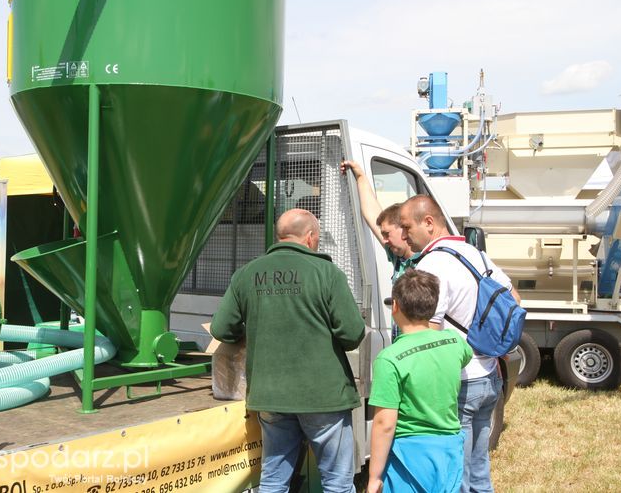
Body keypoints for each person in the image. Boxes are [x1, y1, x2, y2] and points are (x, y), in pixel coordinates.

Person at [211, 208, 365, 493]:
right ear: (310, 238)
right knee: (337, 484)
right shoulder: (328, 273)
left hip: (270, 395)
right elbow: (352, 333)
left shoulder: (247, 274)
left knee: (273, 481)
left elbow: (222, 328)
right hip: (324, 396)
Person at [398, 195, 520, 493]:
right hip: (490, 376)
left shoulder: (432, 263)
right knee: (479, 469)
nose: (403, 235)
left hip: (461, 383)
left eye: (406, 227)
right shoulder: (473, 252)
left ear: (428, 223)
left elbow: (431, 330)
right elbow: (514, 299)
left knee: (458, 474)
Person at [367, 269, 472, 493]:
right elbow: (465, 356)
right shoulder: (454, 342)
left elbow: (384, 423)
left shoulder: (389, 359)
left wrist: (374, 477)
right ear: (433, 307)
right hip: (450, 450)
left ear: (395, 306)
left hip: (410, 454)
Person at [340, 161, 416, 282]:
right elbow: (371, 212)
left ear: (404, 228)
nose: (384, 240)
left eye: (387, 234)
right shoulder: (397, 256)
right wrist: (360, 177)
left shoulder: (426, 262)